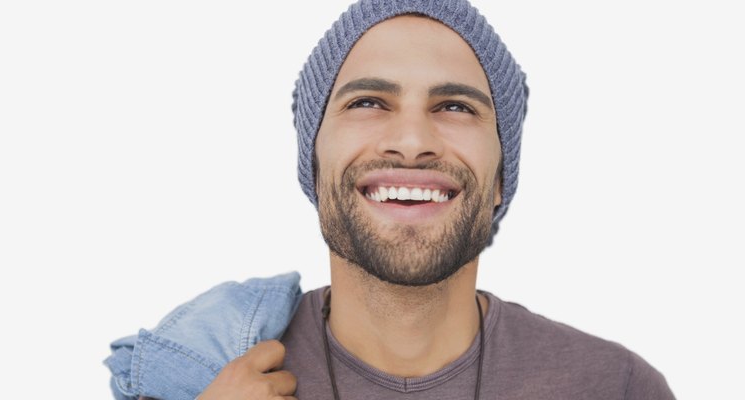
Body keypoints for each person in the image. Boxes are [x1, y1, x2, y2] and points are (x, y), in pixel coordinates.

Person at [105, 1, 676, 399]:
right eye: (368, 102)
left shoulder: (615, 387)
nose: (411, 141)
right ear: (313, 160)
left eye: (455, 107)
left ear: (502, 175)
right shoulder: (202, 380)